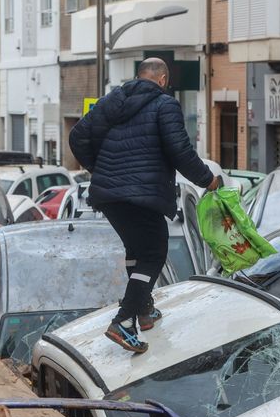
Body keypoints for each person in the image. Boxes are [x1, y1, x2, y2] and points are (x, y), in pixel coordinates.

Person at [70, 58, 220, 354]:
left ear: (138, 77)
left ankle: (144, 310)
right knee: (154, 252)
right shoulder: (165, 105)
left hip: (108, 194)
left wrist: (97, 168)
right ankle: (124, 321)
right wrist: (207, 180)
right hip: (142, 194)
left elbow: (77, 136)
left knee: (136, 249)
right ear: (162, 79)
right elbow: (180, 151)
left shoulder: (111, 101)